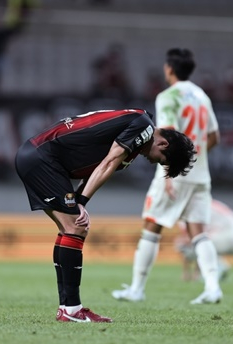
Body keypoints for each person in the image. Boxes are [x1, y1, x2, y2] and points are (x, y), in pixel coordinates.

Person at [15, 108, 195, 323]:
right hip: (42, 158)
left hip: (40, 158)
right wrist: (81, 202)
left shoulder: (134, 139)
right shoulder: (142, 125)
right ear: (163, 144)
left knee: (70, 228)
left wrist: (80, 200)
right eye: (160, 160)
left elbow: (96, 170)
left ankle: (68, 308)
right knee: (76, 227)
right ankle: (71, 310)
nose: (152, 161)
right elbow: (108, 162)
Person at [112, 48, 223, 305]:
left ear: (169, 69)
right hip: (200, 174)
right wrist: (196, 157)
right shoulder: (202, 96)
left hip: (175, 172)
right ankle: (213, 286)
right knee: (198, 232)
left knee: (152, 226)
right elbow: (215, 137)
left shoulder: (168, 97)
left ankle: (137, 289)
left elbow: (167, 138)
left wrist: (169, 173)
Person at [175, 199, 233, 282]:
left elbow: (193, 237)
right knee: (205, 241)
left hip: (225, 238)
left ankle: (216, 268)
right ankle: (219, 263)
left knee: (185, 244)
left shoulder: (190, 209)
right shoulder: (212, 203)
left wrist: (187, 272)